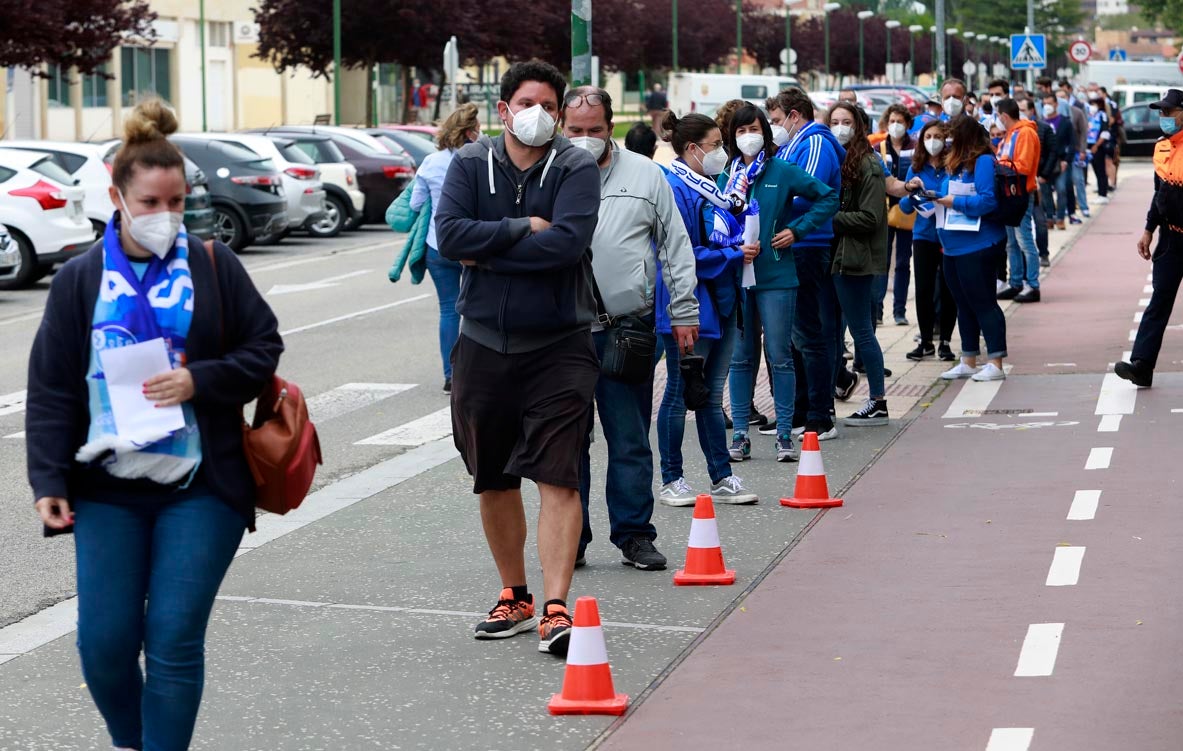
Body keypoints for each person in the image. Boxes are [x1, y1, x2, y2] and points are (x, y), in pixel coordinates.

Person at [27, 98, 283, 751]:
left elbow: (262, 350)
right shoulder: (81, 280)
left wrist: (202, 379)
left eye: (176, 200)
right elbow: (53, 388)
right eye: (149, 202)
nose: (166, 215)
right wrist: (48, 478)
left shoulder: (213, 265)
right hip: (108, 487)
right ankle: (131, 740)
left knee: (171, 636)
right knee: (104, 645)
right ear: (116, 196)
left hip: (203, 486)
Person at [435, 60, 600, 657]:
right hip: (482, 343)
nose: (540, 114)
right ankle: (516, 594)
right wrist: (519, 228)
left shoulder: (576, 166)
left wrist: (491, 246)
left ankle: (557, 606)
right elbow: (450, 236)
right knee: (494, 476)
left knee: (558, 471)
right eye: (527, 102)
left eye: (550, 106)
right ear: (503, 109)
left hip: (559, 345)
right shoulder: (469, 163)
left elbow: (568, 245)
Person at [563, 87, 700, 569]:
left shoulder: (645, 174)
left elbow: (675, 246)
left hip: (626, 329)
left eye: (594, 131)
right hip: (563, 334)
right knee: (566, 442)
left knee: (629, 438)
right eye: (575, 131)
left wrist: (684, 311)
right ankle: (568, 537)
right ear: (561, 126)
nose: (585, 139)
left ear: (611, 128)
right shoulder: (546, 173)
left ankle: (635, 534)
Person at [722, 104, 838, 461]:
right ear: (732, 136)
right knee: (741, 358)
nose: (748, 137)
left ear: (766, 132)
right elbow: (713, 215)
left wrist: (796, 231)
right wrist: (729, 244)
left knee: (780, 354)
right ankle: (741, 433)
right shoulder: (725, 175)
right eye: (740, 131)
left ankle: (786, 433)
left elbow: (829, 196)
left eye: (754, 129)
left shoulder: (782, 170)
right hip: (738, 275)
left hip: (777, 275)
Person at [658, 111, 758, 504]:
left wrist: (741, 244)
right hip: (690, 306)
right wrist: (735, 253)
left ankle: (722, 476)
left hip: (724, 300)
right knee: (680, 393)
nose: (723, 153)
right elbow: (678, 253)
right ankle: (671, 478)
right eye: (716, 145)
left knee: (711, 395)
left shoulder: (713, 187)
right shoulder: (673, 188)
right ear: (691, 149)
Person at [767, 88, 847, 439]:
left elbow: (805, 192)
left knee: (809, 334)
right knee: (791, 336)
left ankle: (821, 414)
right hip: (787, 244)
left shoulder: (814, 143)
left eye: (775, 120)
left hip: (807, 245)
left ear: (794, 115)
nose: (773, 128)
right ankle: (798, 411)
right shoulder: (791, 145)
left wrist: (772, 199)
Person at [409, 103, 481, 394]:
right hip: (473, 244)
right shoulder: (478, 159)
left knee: (449, 310)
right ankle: (477, 370)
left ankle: (451, 375)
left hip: (437, 245)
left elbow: (415, 205)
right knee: (479, 309)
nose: (481, 133)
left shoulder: (430, 162)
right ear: (468, 132)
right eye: (477, 129)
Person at [1114, 89, 1183, 389]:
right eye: (1161, 112)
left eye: (1169, 112)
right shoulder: (1162, 148)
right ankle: (1142, 365)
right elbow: (1160, 194)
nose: (1163, 117)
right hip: (1172, 239)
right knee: (1159, 299)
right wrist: (1148, 229)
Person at [828, 102, 890, 426]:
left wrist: (829, 218)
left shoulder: (868, 163)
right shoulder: (840, 160)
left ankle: (878, 401)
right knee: (837, 333)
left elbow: (870, 217)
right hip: (840, 256)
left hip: (855, 259)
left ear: (859, 126)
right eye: (835, 121)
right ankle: (836, 390)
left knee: (862, 331)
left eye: (847, 121)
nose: (840, 127)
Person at [936, 116, 1009, 383]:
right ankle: (968, 358)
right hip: (952, 245)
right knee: (962, 303)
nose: (946, 141)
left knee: (983, 302)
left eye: (951, 135)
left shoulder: (983, 162)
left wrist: (955, 202)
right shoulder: (953, 164)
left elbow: (987, 201)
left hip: (978, 244)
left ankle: (996, 362)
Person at [900, 120, 957, 362]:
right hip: (923, 235)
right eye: (928, 136)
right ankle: (925, 341)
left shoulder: (952, 166)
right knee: (922, 289)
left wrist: (941, 197)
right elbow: (903, 206)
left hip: (948, 235)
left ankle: (945, 341)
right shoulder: (916, 167)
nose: (932, 141)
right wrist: (913, 192)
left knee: (947, 289)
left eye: (937, 136)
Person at [994, 97, 1043, 303]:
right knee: (1012, 242)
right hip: (1009, 193)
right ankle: (1016, 282)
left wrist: (1000, 164)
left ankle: (1032, 285)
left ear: (1005, 116)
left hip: (1021, 192)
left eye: (998, 116)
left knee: (1024, 239)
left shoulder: (1025, 133)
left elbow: (1022, 165)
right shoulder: (1011, 135)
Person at [875, 104, 916, 327]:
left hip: (908, 211)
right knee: (882, 262)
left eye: (900, 121)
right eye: (892, 121)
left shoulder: (917, 148)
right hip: (884, 212)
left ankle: (899, 310)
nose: (895, 126)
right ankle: (879, 310)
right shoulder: (879, 147)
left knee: (903, 262)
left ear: (908, 124)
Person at [1019, 95, 1055, 266]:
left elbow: (1052, 153)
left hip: (1038, 181)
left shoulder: (1044, 129)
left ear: (1031, 110)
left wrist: (1044, 176)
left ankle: (1044, 253)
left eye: (1023, 110)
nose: (1020, 113)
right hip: (1019, 186)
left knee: (1040, 220)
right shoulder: (1013, 132)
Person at [1040, 94, 1075, 231]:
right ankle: (1050, 217)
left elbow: (1072, 143)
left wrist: (1067, 160)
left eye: (1050, 103)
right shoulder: (1041, 122)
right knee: (1046, 191)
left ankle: (1060, 218)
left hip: (1060, 162)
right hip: (1045, 163)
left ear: (1056, 104)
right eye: (1045, 104)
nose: (1047, 106)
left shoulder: (1065, 122)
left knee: (1061, 190)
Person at [1058, 86, 1090, 222]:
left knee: (1078, 179)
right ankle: (1066, 208)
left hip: (1076, 151)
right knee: (1064, 183)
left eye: (1062, 97)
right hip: (1062, 154)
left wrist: (1083, 149)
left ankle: (1083, 206)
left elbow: (1084, 131)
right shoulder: (1055, 115)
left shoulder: (1076, 112)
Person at [1087, 92, 1114, 204]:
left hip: (1099, 147)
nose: (1092, 106)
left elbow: (1105, 133)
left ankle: (1103, 194)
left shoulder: (1102, 115)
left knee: (1101, 170)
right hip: (1091, 146)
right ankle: (1100, 193)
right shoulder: (1091, 115)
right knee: (1096, 171)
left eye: (1094, 103)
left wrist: (1096, 145)